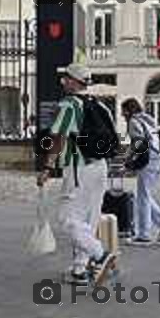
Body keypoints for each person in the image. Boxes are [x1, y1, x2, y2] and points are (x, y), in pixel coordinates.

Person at [36, 63, 116, 285]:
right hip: (100, 167)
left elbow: (58, 139)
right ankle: (79, 269)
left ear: (74, 81)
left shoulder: (69, 105)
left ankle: (101, 254)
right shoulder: (101, 106)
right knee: (88, 221)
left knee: (68, 219)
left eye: (66, 79)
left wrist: (47, 168)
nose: (63, 82)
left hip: (78, 167)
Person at [121, 98, 160, 245]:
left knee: (143, 196)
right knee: (144, 195)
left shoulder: (133, 121)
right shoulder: (147, 120)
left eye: (123, 110)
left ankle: (144, 235)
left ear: (128, 110)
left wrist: (128, 161)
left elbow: (138, 142)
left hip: (150, 161)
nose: (122, 114)